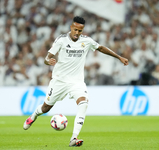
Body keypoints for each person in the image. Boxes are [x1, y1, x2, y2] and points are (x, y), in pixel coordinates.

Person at [23, 16, 128, 147]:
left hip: (77, 82)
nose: (77, 33)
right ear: (71, 27)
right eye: (75, 30)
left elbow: (100, 48)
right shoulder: (61, 40)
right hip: (59, 81)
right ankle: (33, 116)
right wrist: (48, 61)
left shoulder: (86, 41)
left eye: (80, 30)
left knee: (83, 103)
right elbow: (47, 57)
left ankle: (74, 138)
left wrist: (119, 57)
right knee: (46, 107)